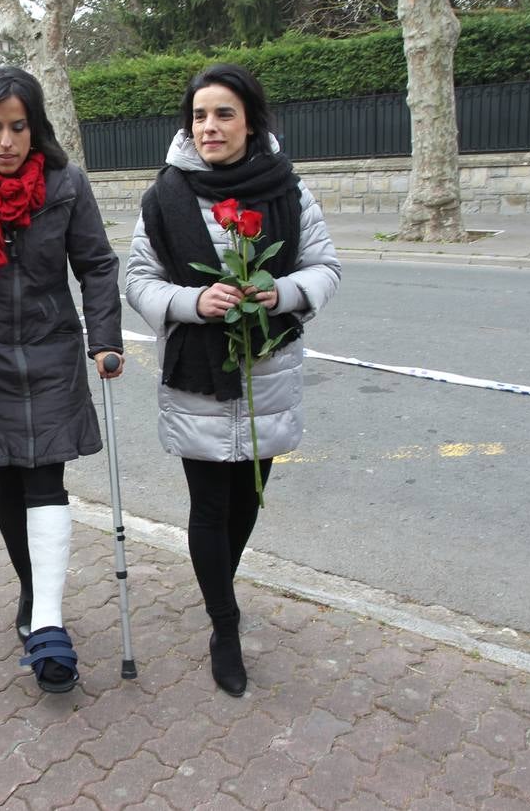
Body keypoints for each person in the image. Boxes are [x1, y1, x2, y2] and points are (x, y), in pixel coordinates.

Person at [125, 63, 340, 697]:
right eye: (199, 115)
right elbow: (137, 280)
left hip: (266, 371)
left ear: (250, 120)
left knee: (246, 502)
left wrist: (278, 293)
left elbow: (324, 267)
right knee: (210, 507)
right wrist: (194, 302)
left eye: (224, 113)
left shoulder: (287, 191)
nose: (210, 126)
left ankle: (220, 587)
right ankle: (225, 624)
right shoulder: (165, 196)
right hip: (196, 377)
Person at [0, 66, 123, 695]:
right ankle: (35, 596)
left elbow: (95, 264)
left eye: (18, 128)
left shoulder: (65, 184)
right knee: (7, 478)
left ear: (36, 128)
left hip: (51, 350)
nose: (6, 143)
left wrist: (105, 340)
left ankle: (48, 621)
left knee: (46, 473)